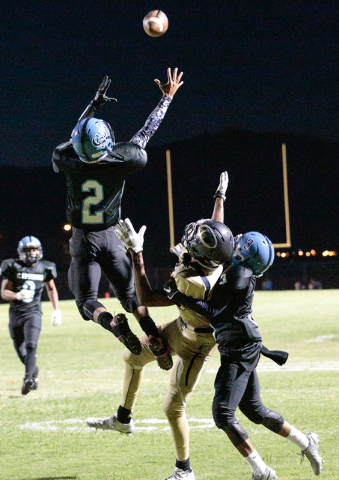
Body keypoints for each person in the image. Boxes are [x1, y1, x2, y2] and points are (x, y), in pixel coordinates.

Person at [86, 172, 234, 480]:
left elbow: (148, 297)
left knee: (173, 407)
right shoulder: (216, 259)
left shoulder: (189, 280)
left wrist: (136, 254)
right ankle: (123, 418)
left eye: (194, 243)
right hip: (183, 325)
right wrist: (219, 198)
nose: (190, 241)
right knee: (133, 357)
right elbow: (215, 236)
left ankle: (185, 471)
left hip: (198, 343)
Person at [164, 227, 323, 478]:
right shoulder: (241, 270)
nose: (234, 244)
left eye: (240, 244)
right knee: (254, 409)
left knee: (223, 413)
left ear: (245, 254)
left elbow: (215, 313)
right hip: (242, 343)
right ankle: (306, 442)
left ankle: (261, 470)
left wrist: (180, 297)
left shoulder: (238, 273)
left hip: (238, 347)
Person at [52, 69, 183, 362]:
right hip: (112, 237)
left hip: (82, 239)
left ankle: (112, 324)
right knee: (131, 296)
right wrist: (166, 99)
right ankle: (154, 337)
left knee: (86, 301)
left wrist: (93, 104)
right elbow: (146, 132)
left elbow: (77, 135)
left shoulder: (65, 158)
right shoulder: (124, 159)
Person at [0, 236, 62, 395]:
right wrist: (17, 295)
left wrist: (57, 309)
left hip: (33, 313)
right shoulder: (13, 266)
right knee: (21, 351)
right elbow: (4, 292)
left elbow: (51, 288)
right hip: (15, 313)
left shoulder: (45, 267)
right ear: (21, 252)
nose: (32, 253)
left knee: (31, 345)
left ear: (39, 250)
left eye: (34, 249)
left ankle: (28, 379)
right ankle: (33, 370)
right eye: (28, 250)